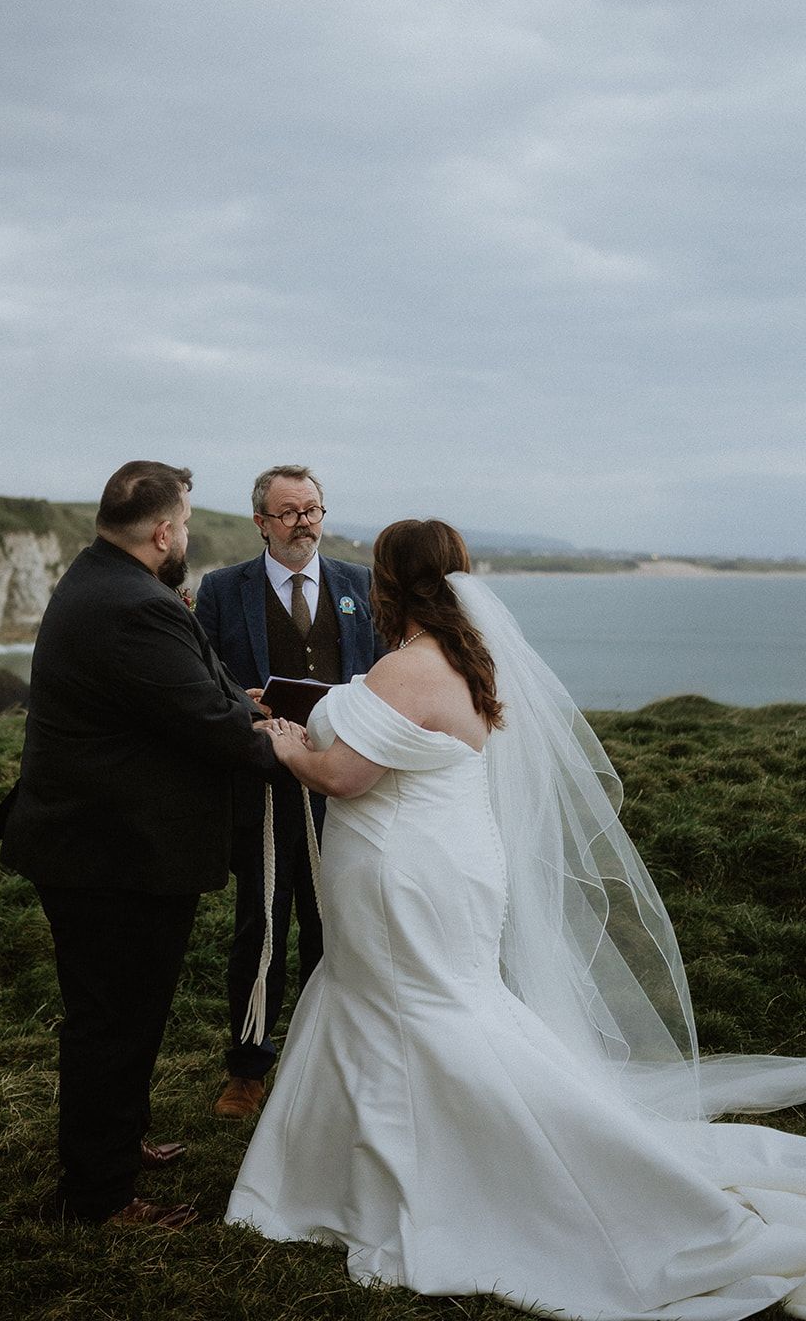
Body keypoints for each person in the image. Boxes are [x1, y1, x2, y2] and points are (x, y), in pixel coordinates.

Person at [227, 518, 806, 1318]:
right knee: (434, 1004)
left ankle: (494, 1171)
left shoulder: (405, 668)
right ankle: (351, 1174)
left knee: (421, 1015)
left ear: (391, 585)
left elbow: (347, 777)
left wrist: (292, 744)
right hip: (456, 863)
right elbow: (398, 727)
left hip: (402, 873)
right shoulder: (471, 659)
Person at [0, 461, 296, 1231]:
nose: (186, 537)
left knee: (117, 1016)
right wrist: (280, 741)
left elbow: (179, 692)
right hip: (113, 853)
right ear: (162, 533)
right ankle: (99, 1197)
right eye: (185, 525)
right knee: (114, 1022)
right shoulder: (133, 606)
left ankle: (116, 1145)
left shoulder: (100, 580)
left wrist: (240, 701)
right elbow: (203, 726)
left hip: (94, 842)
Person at [195, 464, 382, 1119]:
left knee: (339, 923)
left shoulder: (361, 585)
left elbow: (386, 673)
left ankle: (334, 1057)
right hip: (265, 784)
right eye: (290, 512)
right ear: (261, 523)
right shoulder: (222, 590)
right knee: (264, 925)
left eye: (313, 510)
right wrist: (239, 703)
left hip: (345, 785)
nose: (304, 522)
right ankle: (248, 1068)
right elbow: (201, 675)